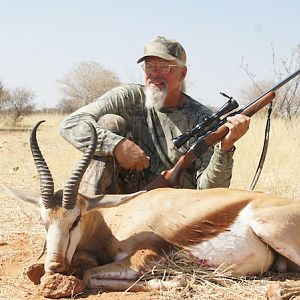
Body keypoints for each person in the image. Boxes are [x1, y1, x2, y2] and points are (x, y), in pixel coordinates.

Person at [59, 36, 250, 195]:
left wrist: (224, 148)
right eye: (149, 66)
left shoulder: (202, 119)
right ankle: (86, 221)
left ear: (182, 73)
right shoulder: (128, 97)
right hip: (120, 202)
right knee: (109, 123)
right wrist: (116, 145)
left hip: (171, 209)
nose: (154, 74)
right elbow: (70, 124)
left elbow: (209, 191)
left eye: (164, 67)